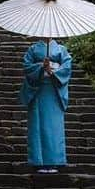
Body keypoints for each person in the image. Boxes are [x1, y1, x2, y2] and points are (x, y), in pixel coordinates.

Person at [19, 39, 72, 172]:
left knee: (54, 127)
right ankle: (38, 161)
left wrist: (52, 71)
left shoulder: (61, 49)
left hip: (53, 90)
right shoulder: (33, 49)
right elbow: (27, 66)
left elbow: (67, 67)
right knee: (38, 126)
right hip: (39, 89)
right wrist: (41, 67)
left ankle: (55, 161)